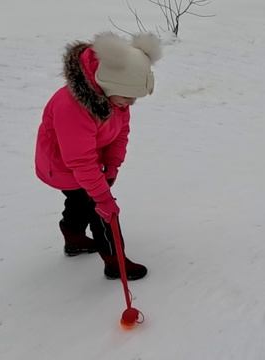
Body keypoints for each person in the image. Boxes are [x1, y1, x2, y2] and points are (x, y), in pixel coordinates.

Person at [35, 32, 162, 280]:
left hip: (84, 163)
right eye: (127, 97)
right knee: (101, 211)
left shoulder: (115, 99)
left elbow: (120, 132)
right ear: (108, 84)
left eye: (134, 99)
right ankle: (116, 262)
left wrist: (113, 166)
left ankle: (73, 237)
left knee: (80, 200)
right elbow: (80, 161)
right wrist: (103, 198)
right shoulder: (72, 107)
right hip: (64, 166)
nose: (129, 104)